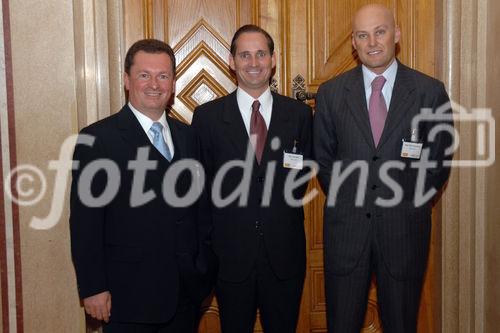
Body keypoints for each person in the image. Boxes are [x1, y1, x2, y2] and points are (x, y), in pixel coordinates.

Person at [313, 4, 453, 333]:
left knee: (401, 325)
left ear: (397, 34)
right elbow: (323, 160)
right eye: (363, 35)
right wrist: (353, 198)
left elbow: (437, 163)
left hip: (404, 233)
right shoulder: (331, 94)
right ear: (353, 42)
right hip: (347, 235)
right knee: (342, 324)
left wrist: (408, 203)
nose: (372, 42)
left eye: (380, 31)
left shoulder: (429, 92)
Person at [70, 39, 212, 333]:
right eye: (144, 75)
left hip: (185, 295)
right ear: (126, 80)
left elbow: (201, 210)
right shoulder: (97, 140)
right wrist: (93, 287)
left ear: (173, 84)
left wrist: (204, 269)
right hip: (128, 297)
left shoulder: (189, 137)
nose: (154, 84)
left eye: (163, 76)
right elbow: (86, 223)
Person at [191, 25, 313, 333]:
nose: (254, 62)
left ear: (274, 59)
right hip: (230, 256)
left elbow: (302, 176)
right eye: (244, 55)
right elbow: (200, 189)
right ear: (231, 61)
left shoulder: (299, 115)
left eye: (261, 54)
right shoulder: (207, 118)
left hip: (285, 256)